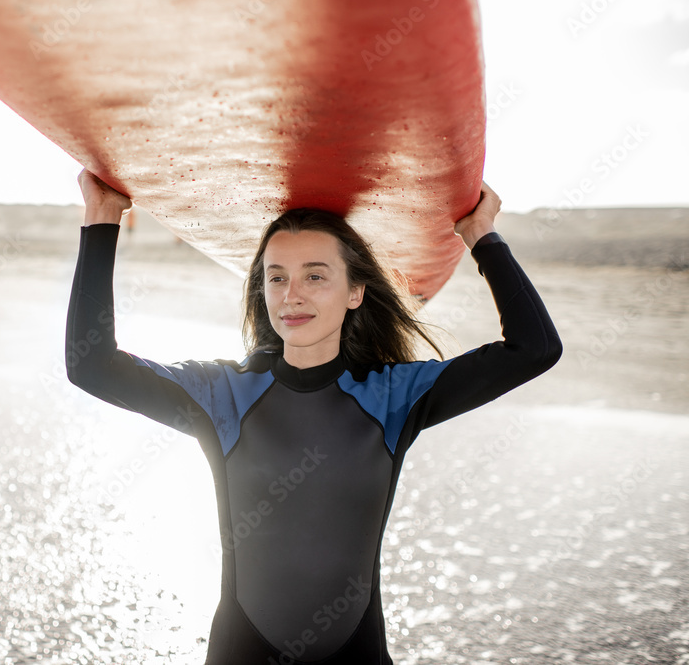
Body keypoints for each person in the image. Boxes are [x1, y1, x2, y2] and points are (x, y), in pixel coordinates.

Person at [66, 169, 562, 664]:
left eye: (315, 276)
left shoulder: (393, 395)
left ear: (355, 293)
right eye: (276, 277)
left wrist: (481, 234)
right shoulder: (222, 394)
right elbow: (92, 364)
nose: (292, 295)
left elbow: (534, 348)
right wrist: (102, 215)